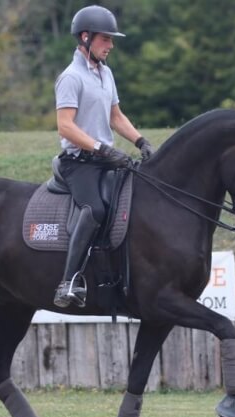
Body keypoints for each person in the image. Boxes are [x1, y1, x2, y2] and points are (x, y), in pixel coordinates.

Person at [53, 5, 153, 308]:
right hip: (78, 163)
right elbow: (65, 126)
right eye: (105, 40)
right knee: (94, 209)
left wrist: (140, 141)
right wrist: (101, 148)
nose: (110, 46)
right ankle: (68, 282)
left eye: (111, 40)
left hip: (104, 161)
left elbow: (116, 116)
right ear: (85, 38)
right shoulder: (70, 78)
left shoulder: (105, 73)